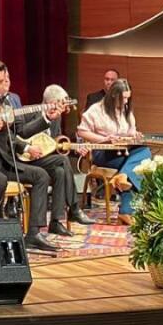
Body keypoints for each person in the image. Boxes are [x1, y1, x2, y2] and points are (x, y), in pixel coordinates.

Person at [0, 59, 69, 254]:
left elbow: (21, 132)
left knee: (41, 175)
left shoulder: (5, 102)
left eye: (1, 81)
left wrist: (46, 118)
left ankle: (33, 234)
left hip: (5, 161)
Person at [76, 79, 150, 226]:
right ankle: (125, 211)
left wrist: (135, 135)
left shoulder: (126, 109)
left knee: (144, 151)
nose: (126, 101)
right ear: (114, 95)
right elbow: (82, 132)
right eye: (124, 98)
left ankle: (122, 178)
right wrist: (105, 139)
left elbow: (131, 132)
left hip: (123, 151)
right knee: (137, 165)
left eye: (128, 98)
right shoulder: (96, 109)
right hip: (104, 153)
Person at [32, 84, 94, 228]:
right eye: (62, 103)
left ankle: (56, 222)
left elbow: (56, 144)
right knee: (63, 160)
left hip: (49, 161)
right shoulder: (33, 115)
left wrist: (75, 149)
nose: (65, 107)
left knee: (60, 171)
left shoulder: (57, 118)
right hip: (31, 160)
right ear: (51, 102)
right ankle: (74, 208)